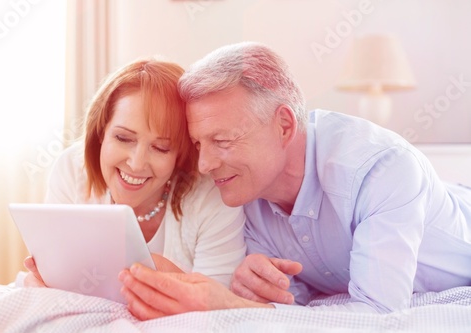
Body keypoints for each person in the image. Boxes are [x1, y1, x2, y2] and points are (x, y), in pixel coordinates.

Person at [118, 41, 471, 320]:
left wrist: (228, 306)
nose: (206, 164)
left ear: (284, 125)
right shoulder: (244, 191)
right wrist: (261, 290)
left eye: (222, 141)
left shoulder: (381, 169)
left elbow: (379, 317)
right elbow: (297, 300)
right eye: (198, 144)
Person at [23, 58, 247, 294]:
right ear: (101, 132)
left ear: (180, 155)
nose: (137, 164)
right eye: (123, 138)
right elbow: (54, 281)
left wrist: (160, 271)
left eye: (161, 148)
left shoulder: (211, 195)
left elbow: (220, 306)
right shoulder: (72, 169)